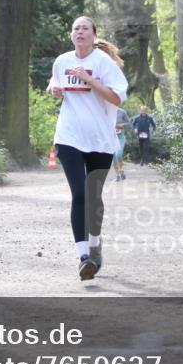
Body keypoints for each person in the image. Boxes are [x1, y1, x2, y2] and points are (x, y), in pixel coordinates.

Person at [48, 17, 128, 280]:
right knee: (80, 194)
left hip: (100, 139)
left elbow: (116, 98)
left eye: (85, 28)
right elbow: (54, 82)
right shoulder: (62, 61)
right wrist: (53, 89)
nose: (80, 31)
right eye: (76, 28)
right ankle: (84, 257)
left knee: (93, 197)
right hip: (68, 137)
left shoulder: (103, 63)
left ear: (94, 35)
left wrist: (89, 79)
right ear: (71, 35)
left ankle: (95, 245)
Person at [112, 106, 131, 181]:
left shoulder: (122, 112)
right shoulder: (106, 110)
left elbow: (129, 123)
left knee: (118, 154)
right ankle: (118, 175)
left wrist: (122, 125)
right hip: (111, 137)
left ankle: (121, 170)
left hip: (120, 137)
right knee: (113, 157)